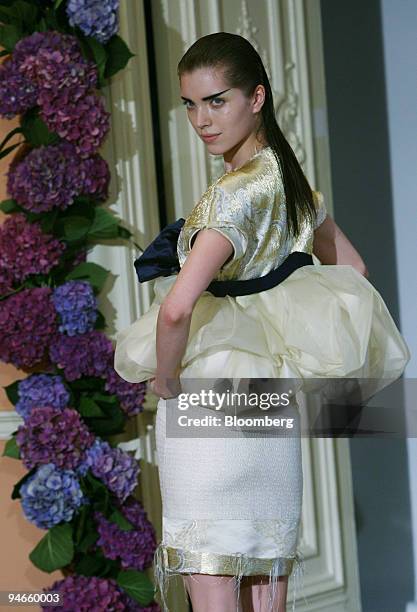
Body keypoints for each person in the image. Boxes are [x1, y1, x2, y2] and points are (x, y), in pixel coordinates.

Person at [114, 32, 410, 612]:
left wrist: (166, 379)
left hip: (210, 401)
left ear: (257, 97)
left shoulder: (232, 196)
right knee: (265, 584)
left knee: (212, 580)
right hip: (268, 401)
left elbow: (176, 308)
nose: (201, 120)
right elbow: (355, 268)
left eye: (216, 101)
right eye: (190, 104)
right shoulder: (293, 183)